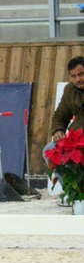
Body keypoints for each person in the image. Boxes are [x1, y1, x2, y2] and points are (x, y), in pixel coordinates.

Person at [44, 56, 84, 201]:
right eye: (73, 76)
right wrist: (58, 130)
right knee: (49, 150)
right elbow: (60, 115)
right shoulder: (69, 90)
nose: (78, 79)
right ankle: (73, 193)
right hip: (76, 139)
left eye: (81, 74)